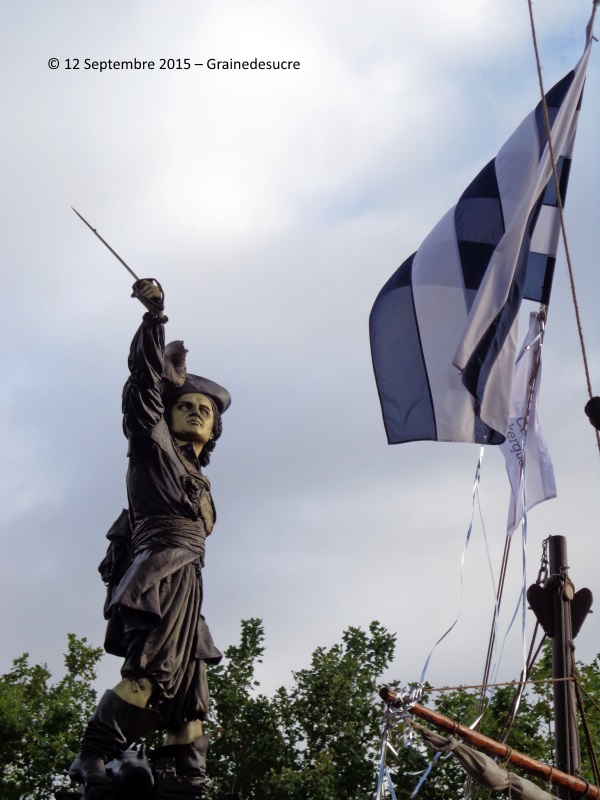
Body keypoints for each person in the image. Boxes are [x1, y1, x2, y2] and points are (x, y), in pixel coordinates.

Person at [70, 279, 230, 798]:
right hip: (160, 573)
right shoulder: (153, 446)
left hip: (189, 582)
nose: (197, 411)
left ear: (214, 431)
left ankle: (188, 783)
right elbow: (141, 391)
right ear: (167, 413)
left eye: (206, 410)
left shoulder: (200, 479)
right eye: (186, 405)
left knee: (189, 697)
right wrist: (154, 322)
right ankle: (92, 756)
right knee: (152, 673)